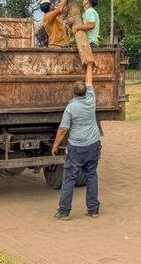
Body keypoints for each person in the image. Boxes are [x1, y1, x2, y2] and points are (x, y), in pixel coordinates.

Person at [51, 61, 101, 220]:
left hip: (77, 148)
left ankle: (64, 211)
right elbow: (89, 80)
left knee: (69, 178)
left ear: (73, 93)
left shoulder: (71, 108)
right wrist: (88, 66)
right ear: (86, 92)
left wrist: (55, 145)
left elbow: (63, 130)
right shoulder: (91, 100)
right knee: (91, 175)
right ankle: (93, 210)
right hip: (93, 145)